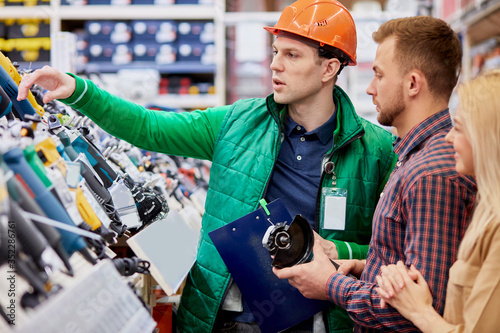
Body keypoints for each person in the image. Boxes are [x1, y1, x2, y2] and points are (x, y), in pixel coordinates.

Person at [17, 0, 396, 331]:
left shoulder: (375, 149)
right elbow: (150, 128)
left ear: (329, 68)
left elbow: (393, 253)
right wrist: (80, 90)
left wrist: (339, 251)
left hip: (318, 321)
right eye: (276, 51)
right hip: (227, 319)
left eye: (292, 55)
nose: (275, 65)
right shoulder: (237, 123)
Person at [272, 16, 478, 332]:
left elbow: (416, 314)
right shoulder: (412, 157)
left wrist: (329, 283)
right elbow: (412, 270)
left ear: (412, 84)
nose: (370, 88)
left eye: (379, 75)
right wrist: (364, 268)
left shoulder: (431, 175)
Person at [375, 69, 500, 332]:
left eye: (460, 128)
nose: (449, 137)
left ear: (489, 139)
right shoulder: (487, 209)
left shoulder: (496, 228)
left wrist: (418, 311)